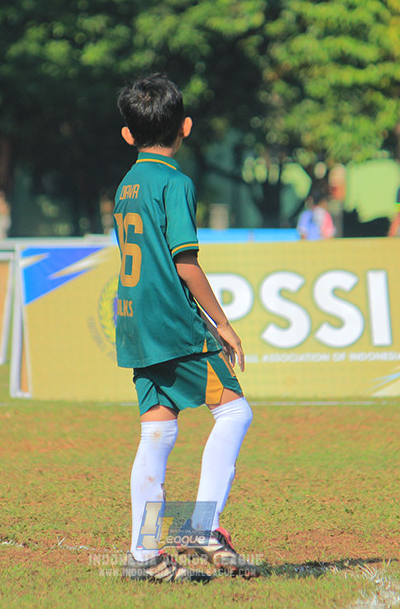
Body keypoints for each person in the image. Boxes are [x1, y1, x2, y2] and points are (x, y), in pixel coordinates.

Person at [113, 73, 257, 583]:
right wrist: (223, 323)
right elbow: (185, 263)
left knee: (158, 431)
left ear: (128, 135)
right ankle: (201, 528)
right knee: (235, 412)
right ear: (186, 127)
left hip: (134, 322)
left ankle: (143, 554)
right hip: (172, 323)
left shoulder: (126, 184)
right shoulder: (175, 182)